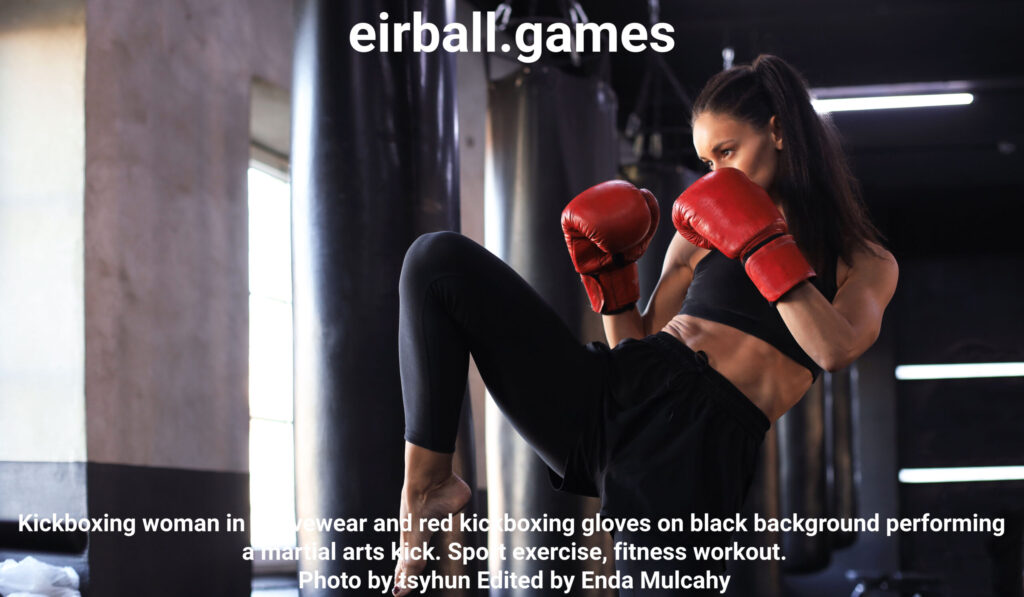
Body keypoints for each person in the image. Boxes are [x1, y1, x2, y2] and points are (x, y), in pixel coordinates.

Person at [391, 54, 898, 596]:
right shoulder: (698, 234)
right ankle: (429, 486)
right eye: (707, 162)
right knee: (436, 263)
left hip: (694, 451)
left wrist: (764, 245)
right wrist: (612, 284)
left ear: (776, 131)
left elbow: (834, 349)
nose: (718, 176)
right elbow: (637, 346)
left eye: (728, 152)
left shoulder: (861, 259)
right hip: (615, 397)